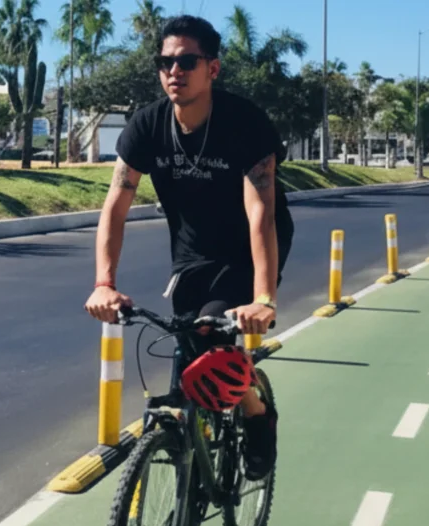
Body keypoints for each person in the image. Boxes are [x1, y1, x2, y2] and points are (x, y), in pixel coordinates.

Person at [83, 15, 294, 479]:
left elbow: (260, 212)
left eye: (186, 61)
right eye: (165, 62)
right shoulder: (147, 126)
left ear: (212, 68)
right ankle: (187, 499)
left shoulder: (245, 124)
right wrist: (104, 283)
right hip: (191, 256)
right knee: (185, 368)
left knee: (212, 354)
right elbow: (115, 208)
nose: (173, 71)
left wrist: (264, 298)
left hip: (246, 252)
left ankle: (257, 414)